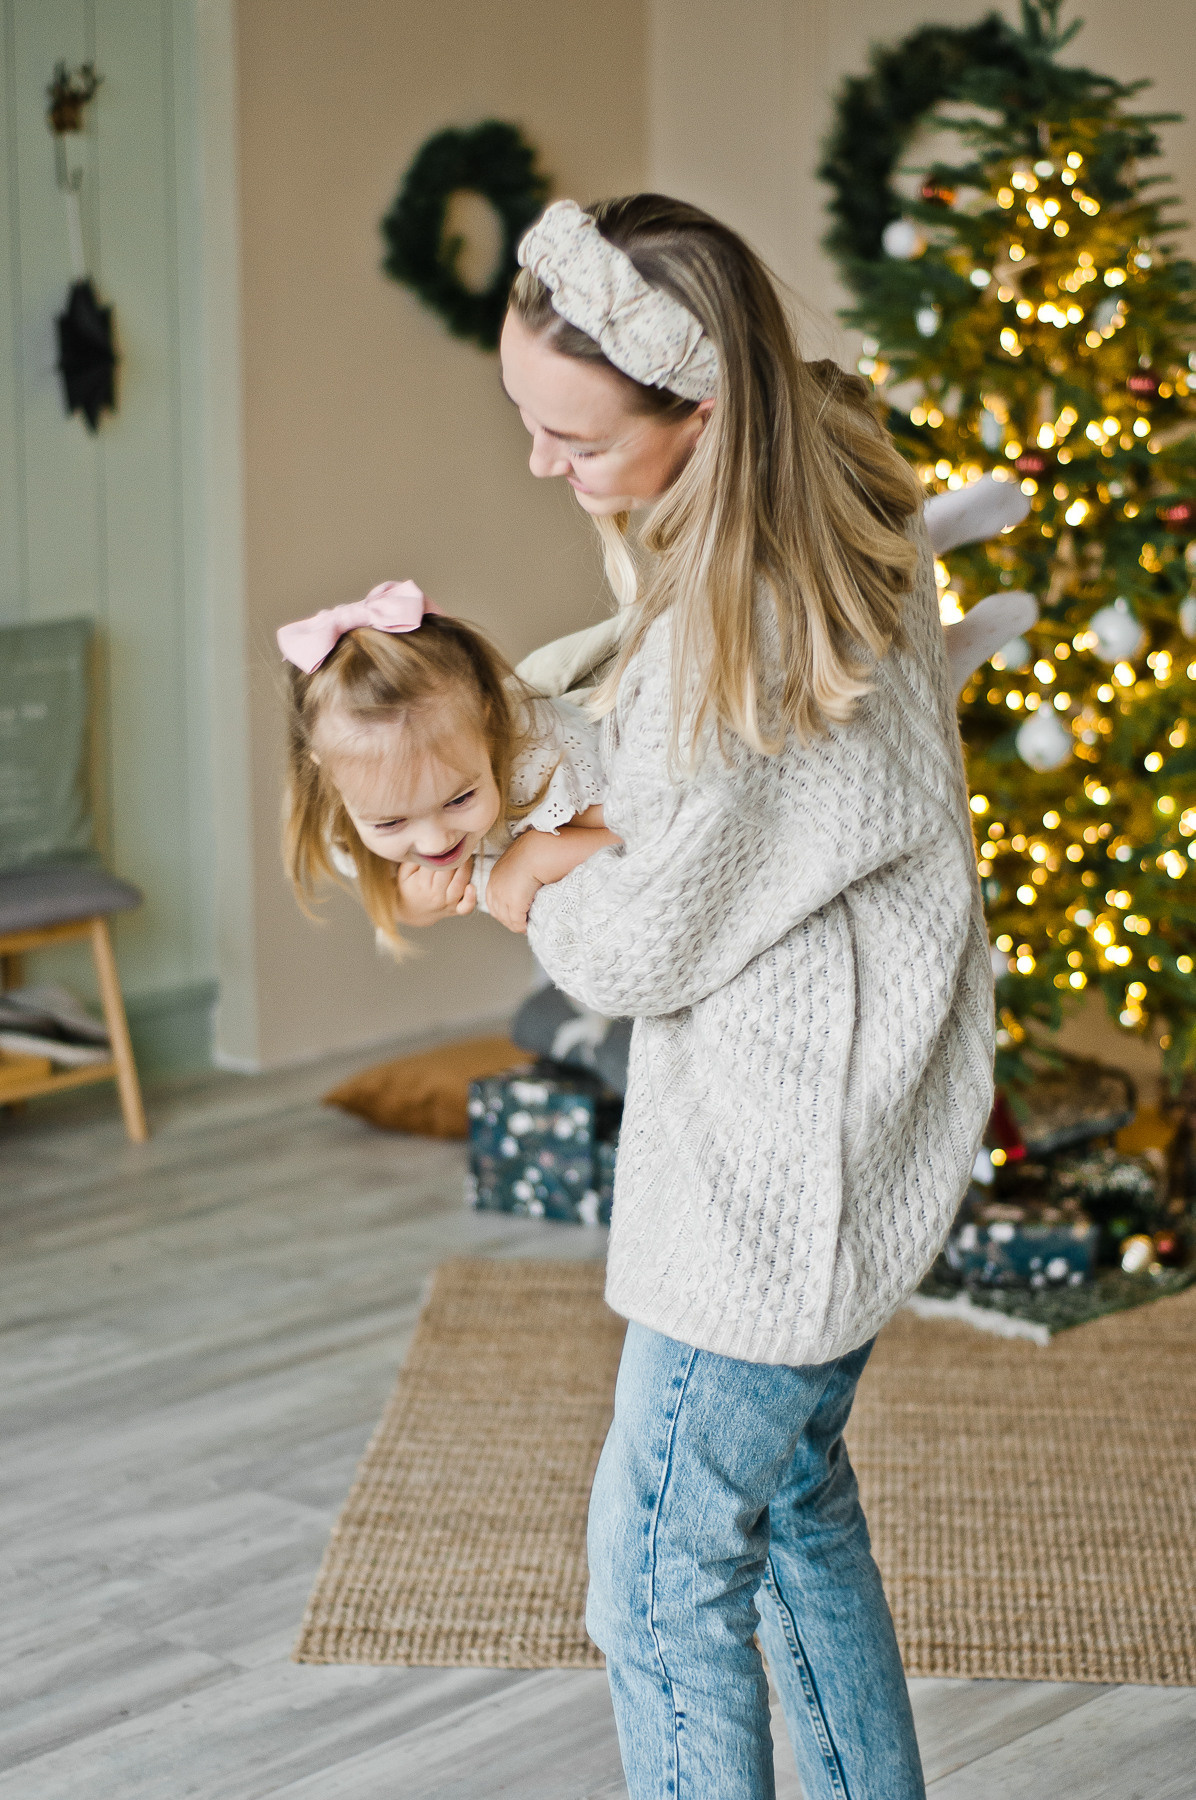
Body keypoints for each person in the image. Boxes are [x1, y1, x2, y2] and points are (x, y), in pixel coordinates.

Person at [495, 195, 995, 1800]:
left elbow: (640, 932)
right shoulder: (789, 540)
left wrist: (515, 873)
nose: (542, 467)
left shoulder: (758, 626)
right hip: (830, 1139)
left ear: (700, 417)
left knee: (653, 1582)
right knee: (788, 1516)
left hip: (779, 1180)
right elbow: (675, 800)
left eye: (570, 437)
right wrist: (533, 775)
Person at [277, 579, 615, 951]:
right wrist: (416, 904)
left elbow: (647, 830)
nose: (435, 841)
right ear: (330, 777)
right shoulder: (343, 822)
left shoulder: (543, 758)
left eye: (459, 800)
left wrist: (537, 855)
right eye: (390, 822)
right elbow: (392, 904)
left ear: (488, 729)